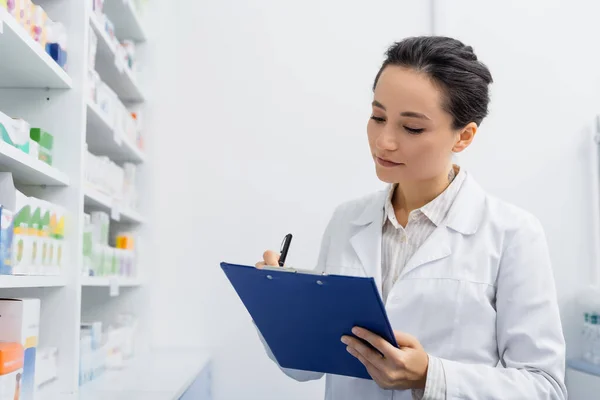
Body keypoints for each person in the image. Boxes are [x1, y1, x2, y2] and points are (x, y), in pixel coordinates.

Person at [255, 36, 567, 400]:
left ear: (463, 137)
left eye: (412, 128)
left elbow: (544, 387)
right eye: (378, 117)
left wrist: (430, 376)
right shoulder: (347, 220)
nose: (384, 141)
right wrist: (275, 306)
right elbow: (305, 367)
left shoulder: (513, 234)